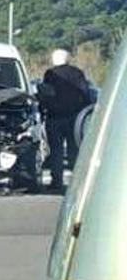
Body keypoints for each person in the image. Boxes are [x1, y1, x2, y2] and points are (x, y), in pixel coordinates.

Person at [41, 49, 91, 193]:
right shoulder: (77, 73)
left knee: (56, 150)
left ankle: (56, 181)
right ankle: (78, 181)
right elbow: (85, 92)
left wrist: (44, 108)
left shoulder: (50, 74)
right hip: (75, 117)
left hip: (55, 117)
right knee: (74, 149)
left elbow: (46, 94)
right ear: (68, 59)